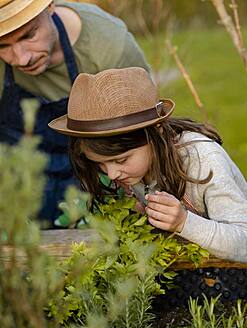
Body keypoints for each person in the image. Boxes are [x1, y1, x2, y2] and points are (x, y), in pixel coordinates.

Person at [48, 67, 247, 262]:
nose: (112, 174)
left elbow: (243, 243)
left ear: (157, 132)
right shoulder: (131, 171)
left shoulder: (204, 160)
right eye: (100, 164)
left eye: (121, 160)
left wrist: (184, 223)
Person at [0, 0, 150, 225]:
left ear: (50, 6)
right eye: (2, 46)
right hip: (20, 176)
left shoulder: (109, 47)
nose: (22, 58)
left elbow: (143, 136)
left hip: (95, 173)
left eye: (28, 36)